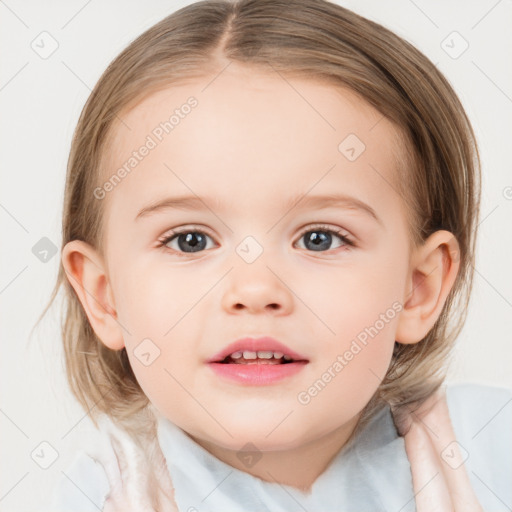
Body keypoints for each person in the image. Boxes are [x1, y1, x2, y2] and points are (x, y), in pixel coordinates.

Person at [39, 0, 511, 510]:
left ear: (417, 288)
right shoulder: (101, 498)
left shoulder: (487, 452)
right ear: (104, 298)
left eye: (320, 238)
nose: (255, 290)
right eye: (189, 240)